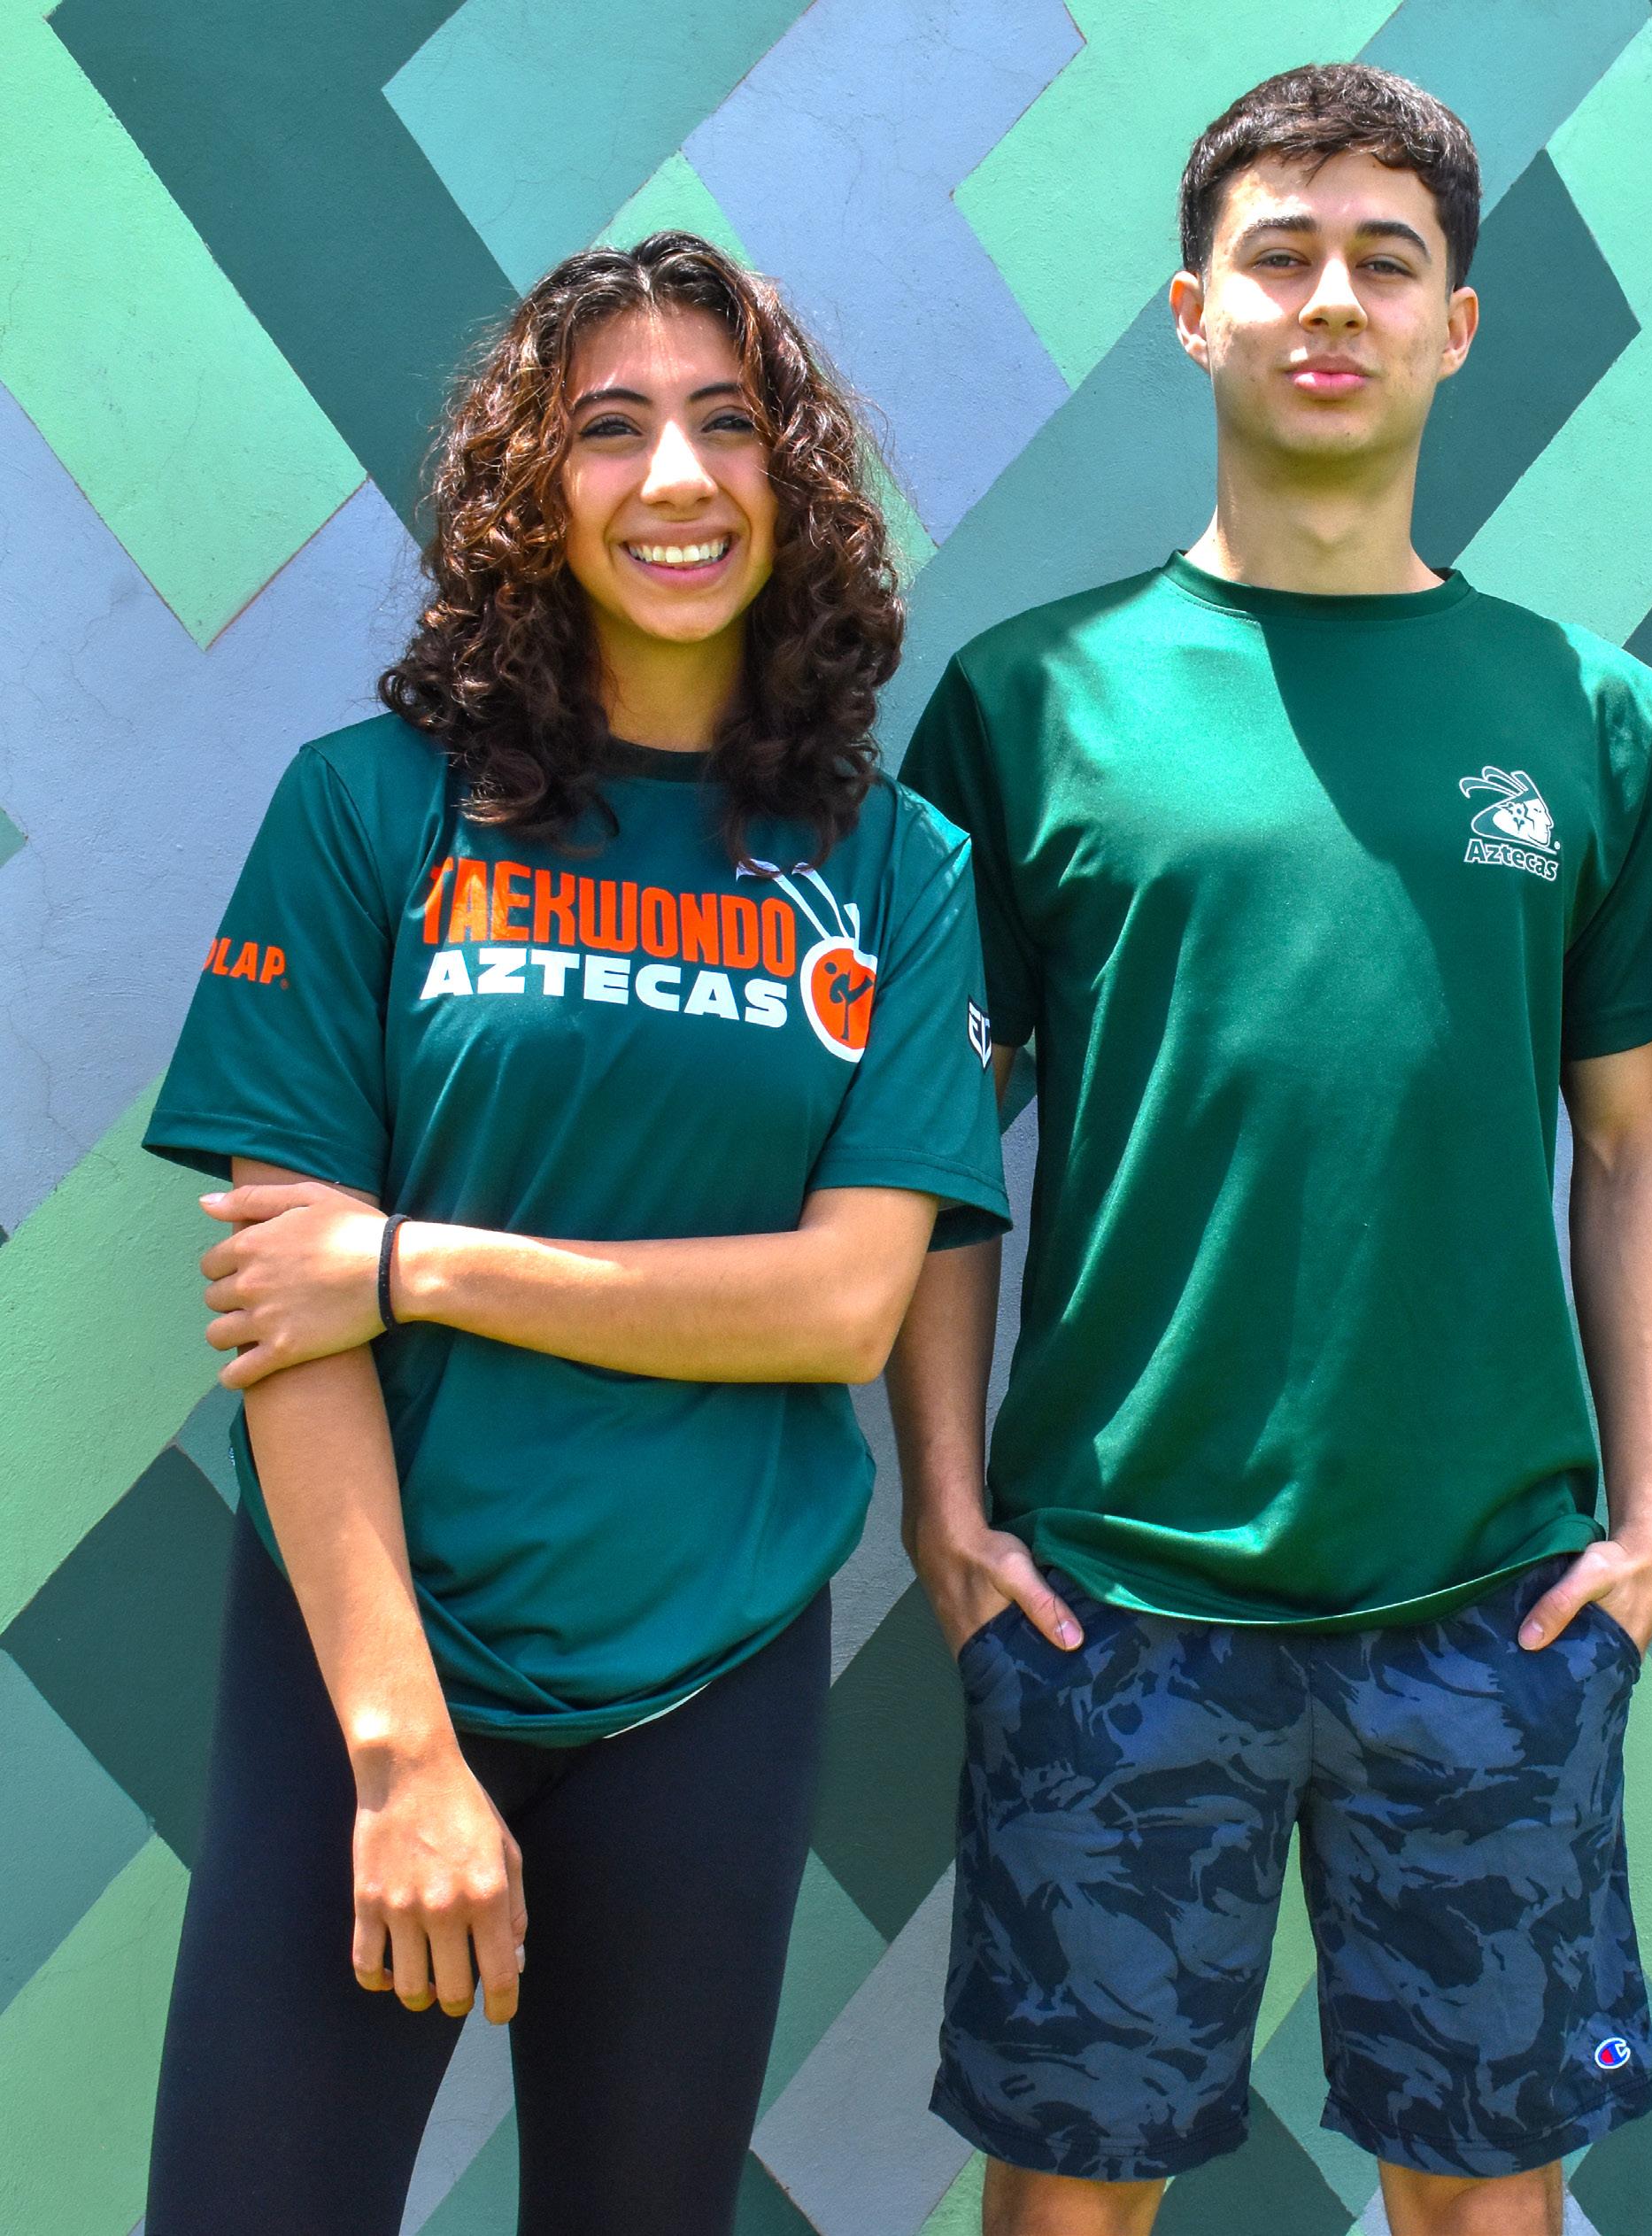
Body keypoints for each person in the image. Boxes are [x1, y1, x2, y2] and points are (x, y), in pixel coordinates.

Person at [889, 64, 1652, 2236]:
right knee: (1071, 2199)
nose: (1331, 301)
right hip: (1113, 1602)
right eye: (1280, 257)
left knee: (1481, 2200)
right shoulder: (1029, 702)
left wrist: (1650, 1522)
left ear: (1456, 324)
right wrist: (947, 1509)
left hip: (1492, 1605)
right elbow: (934, 1154)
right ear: (1193, 313)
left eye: (1385, 262)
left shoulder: (1584, 713)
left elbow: (1635, 1153)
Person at [140, 233, 1007, 2235]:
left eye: (727, 423)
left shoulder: (897, 865)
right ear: (530, 489)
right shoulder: (368, 812)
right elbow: (281, 1317)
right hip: (367, 1653)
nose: (675, 477)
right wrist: (399, 1758)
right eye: (610, 429)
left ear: (793, 481)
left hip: (709, 1660)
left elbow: (842, 1304)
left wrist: (406, 1261)